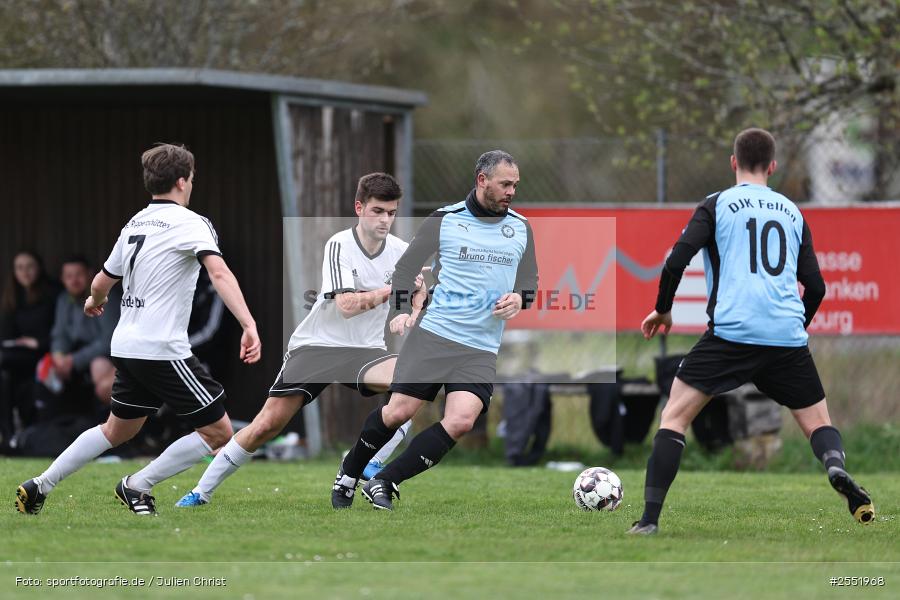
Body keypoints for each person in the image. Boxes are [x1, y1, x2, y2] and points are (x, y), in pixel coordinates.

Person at [629, 128, 874, 535]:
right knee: (818, 424)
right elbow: (816, 287)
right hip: (785, 338)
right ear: (773, 167)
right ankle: (835, 468)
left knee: (673, 417)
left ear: (733, 162)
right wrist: (795, 327)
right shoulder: (792, 212)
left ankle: (649, 521)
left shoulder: (717, 205)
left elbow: (676, 262)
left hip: (731, 333)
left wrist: (664, 309)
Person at [15, 143, 261, 516]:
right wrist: (248, 323)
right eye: (191, 179)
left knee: (117, 430)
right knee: (220, 434)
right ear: (182, 181)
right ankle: (136, 485)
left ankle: (41, 484)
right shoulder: (193, 223)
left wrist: (93, 301)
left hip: (127, 346)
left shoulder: (135, 222)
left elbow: (102, 280)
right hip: (163, 349)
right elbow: (219, 272)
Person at [175, 172, 416, 509]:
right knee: (266, 425)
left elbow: (416, 294)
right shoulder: (340, 244)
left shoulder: (403, 252)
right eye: (378, 211)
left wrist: (411, 310)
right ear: (359, 207)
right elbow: (347, 306)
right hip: (317, 347)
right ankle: (201, 491)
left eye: (391, 213)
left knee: (413, 387)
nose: (385, 220)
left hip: (365, 351)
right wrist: (394, 290)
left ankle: (367, 463)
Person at [333, 150, 539, 511]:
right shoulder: (445, 219)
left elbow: (529, 283)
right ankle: (349, 472)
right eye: (505, 184)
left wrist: (520, 300)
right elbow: (404, 270)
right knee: (398, 412)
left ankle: (384, 480)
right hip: (435, 336)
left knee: (460, 421)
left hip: (480, 347)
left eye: (515, 185)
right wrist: (399, 310)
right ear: (482, 181)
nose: (511, 191)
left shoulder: (521, 227)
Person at [49, 255, 120, 414]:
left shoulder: (106, 296)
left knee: (98, 366)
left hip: (107, 355)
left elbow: (109, 340)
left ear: (90, 274)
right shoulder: (63, 299)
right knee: (46, 369)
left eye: (79, 275)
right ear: (62, 279)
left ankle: (109, 423)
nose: (74, 280)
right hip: (75, 355)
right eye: (69, 276)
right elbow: (60, 334)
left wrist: (74, 360)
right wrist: (59, 356)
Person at [0, 250, 59, 440]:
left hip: (43, 354)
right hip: (16, 356)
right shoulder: (11, 296)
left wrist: (38, 342)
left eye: (29, 267)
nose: (25, 272)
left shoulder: (53, 293)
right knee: (4, 377)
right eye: (19, 268)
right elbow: (6, 333)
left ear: (39, 268)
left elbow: (61, 334)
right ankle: (9, 436)